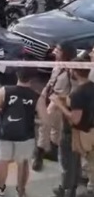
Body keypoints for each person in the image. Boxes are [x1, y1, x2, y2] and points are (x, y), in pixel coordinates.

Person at [0, 67, 44, 197]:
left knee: (3, 160)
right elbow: (45, 119)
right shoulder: (36, 96)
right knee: (23, 163)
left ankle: (0, 188)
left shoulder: (5, 91)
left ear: (17, 75)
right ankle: (21, 190)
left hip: (5, 132)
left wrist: (2, 111)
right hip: (25, 135)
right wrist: (33, 121)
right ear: (32, 79)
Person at [49, 65, 94, 197]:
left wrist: (59, 104)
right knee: (87, 162)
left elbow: (75, 119)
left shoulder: (77, 94)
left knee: (68, 161)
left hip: (80, 134)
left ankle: (68, 189)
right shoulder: (91, 87)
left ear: (75, 72)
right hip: (91, 130)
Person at [34, 43, 76, 170]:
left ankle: (40, 154)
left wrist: (65, 100)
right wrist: (43, 94)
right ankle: (46, 151)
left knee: (48, 125)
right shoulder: (57, 65)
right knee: (49, 126)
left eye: (58, 50)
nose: (54, 51)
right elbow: (52, 81)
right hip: (51, 97)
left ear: (65, 53)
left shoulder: (72, 69)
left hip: (60, 100)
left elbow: (74, 88)